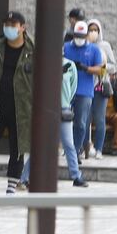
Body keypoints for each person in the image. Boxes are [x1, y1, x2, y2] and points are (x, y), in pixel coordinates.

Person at [20, 56, 88, 188]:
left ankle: (76, 176)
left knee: (69, 144)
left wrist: (65, 102)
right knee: (40, 145)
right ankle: (25, 177)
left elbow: (73, 87)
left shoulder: (70, 65)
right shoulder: (44, 62)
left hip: (64, 109)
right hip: (46, 108)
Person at [0, 11, 34, 194]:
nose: (8, 28)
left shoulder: (32, 51)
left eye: (13, 25)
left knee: (18, 147)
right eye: (6, 24)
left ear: (23, 27)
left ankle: (12, 186)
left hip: (21, 107)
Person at [65, 20, 104, 160]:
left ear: (86, 35)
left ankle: (76, 150)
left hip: (85, 91)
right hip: (67, 91)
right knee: (64, 121)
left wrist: (86, 68)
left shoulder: (94, 50)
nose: (79, 39)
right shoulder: (66, 47)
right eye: (77, 36)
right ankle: (68, 149)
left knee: (81, 123)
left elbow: (101, 69)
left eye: (82, 36)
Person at [86, 19, 116, 159]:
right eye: (90, 29)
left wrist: (102, 67)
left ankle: (99, 149)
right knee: (84, 119)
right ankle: (84, 148)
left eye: (95, 30)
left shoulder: (105, 45)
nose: (93, 32)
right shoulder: (84, 46)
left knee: (99, 119)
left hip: (100, 87)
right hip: (86, 86)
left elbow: (113, 66)